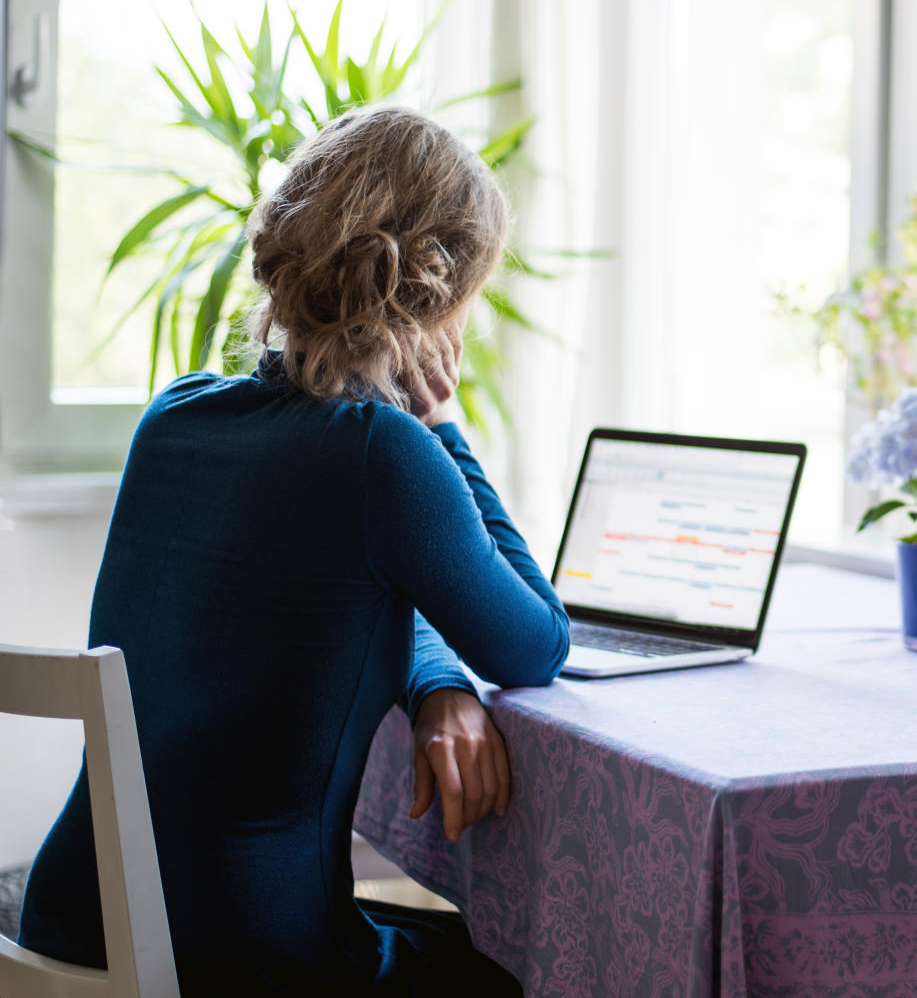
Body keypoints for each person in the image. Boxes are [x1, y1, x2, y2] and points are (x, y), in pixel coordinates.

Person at [18, 105, 568, 997]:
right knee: (513, 971)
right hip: (245, 960)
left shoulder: (174, 416)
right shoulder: (386, 455)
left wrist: (432, 682)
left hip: (74, 916)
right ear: (438, 298)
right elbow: (536, 643)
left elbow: (352, 593)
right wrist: (445, 428)